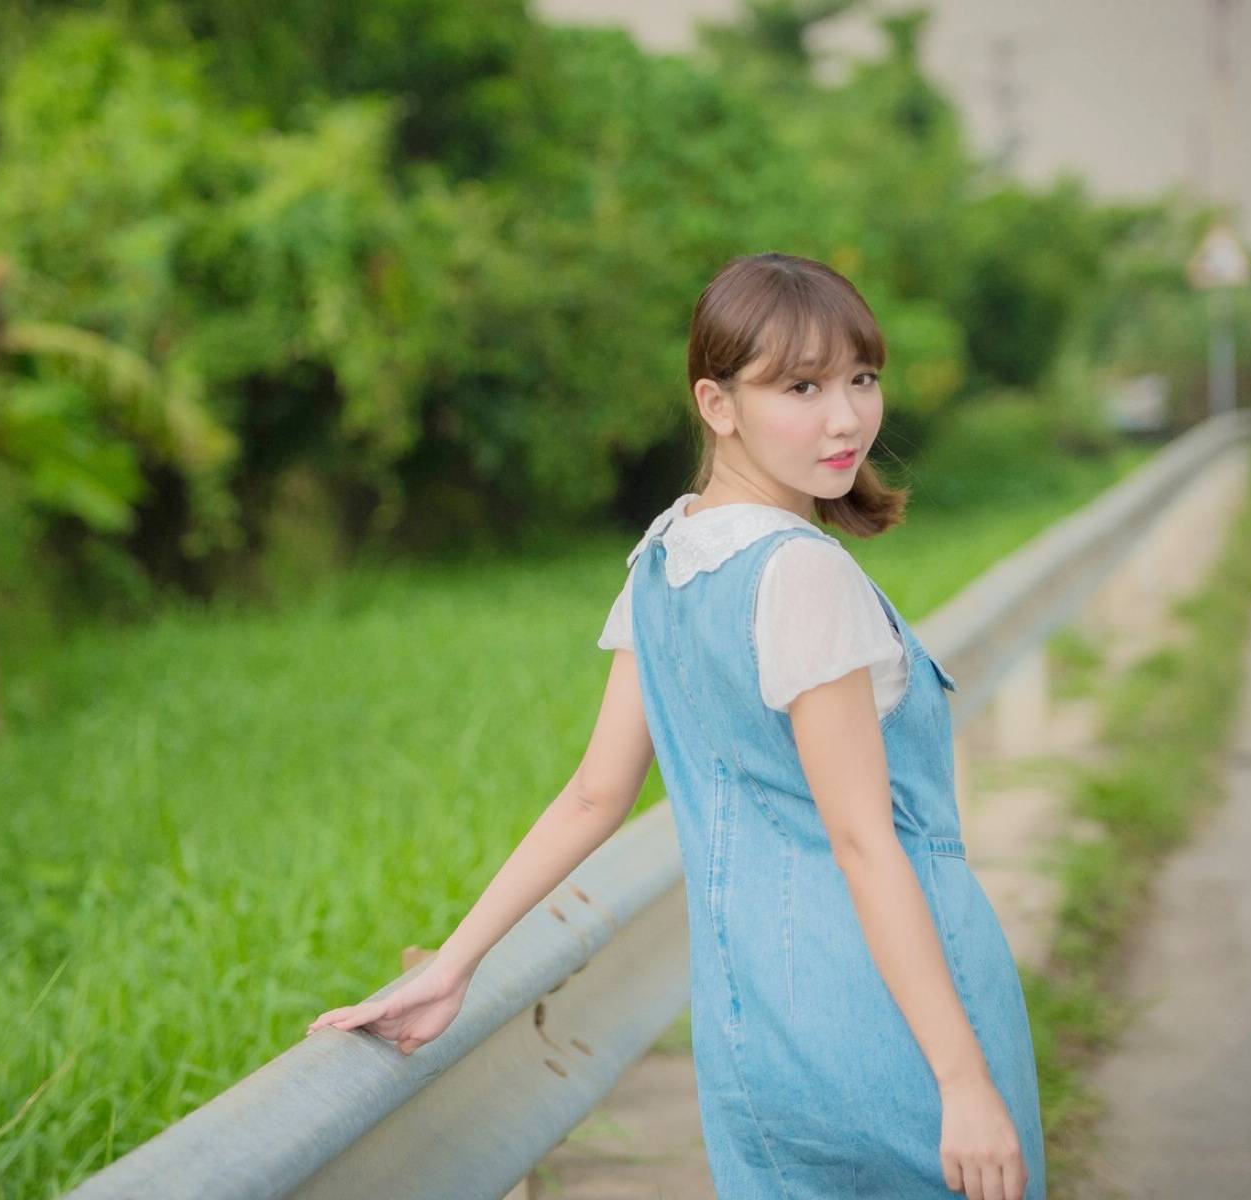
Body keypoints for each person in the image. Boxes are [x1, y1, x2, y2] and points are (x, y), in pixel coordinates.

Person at [306, 253, 1045, 1200]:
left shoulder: (661, 563)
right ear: (718, 402)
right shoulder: (805, 574)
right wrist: (963, 1080)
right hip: (896, 1016)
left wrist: (456, 964)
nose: (847, 416)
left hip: (754, 1038)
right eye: (802, 386)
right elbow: (863, 844)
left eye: (862, 378)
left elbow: (591, 796)